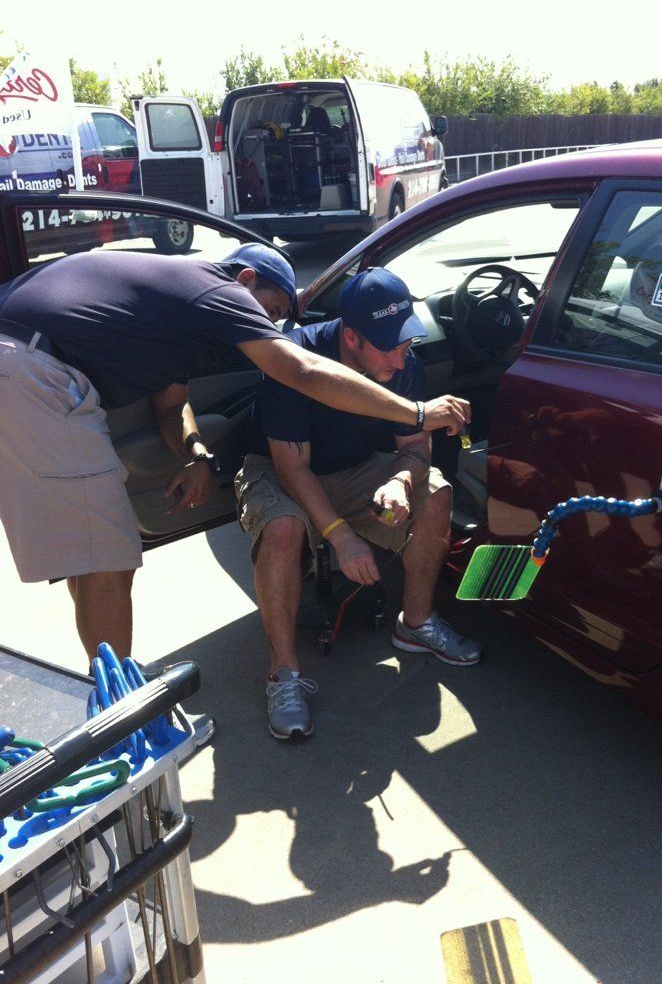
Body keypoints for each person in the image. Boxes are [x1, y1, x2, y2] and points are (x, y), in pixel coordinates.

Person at [0, 245, 470, 664]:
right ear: (246, 280)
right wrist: (416, 412)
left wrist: (198, 456)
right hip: (29, 366)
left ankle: (108, 684)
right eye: (268, 310)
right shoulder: (216, 289)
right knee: (108, 558)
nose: (266, 325)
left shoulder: (174, 315)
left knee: (90, 556)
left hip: (25, 361)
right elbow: (301, 370)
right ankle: (123, 714)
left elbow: (171, 407)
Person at [235, 267, 482, 740]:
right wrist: (341, 537)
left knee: (437, 491)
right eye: (388, 345)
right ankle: (283, 675)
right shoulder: (296, 358)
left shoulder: (402, 361)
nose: (400, 354)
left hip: (353, 467)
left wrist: (401, 484)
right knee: (284, 529)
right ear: (350, 337)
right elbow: (292, 468)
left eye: (405, 340)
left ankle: (415, 622)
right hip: (280, 468)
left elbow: (414, 450)